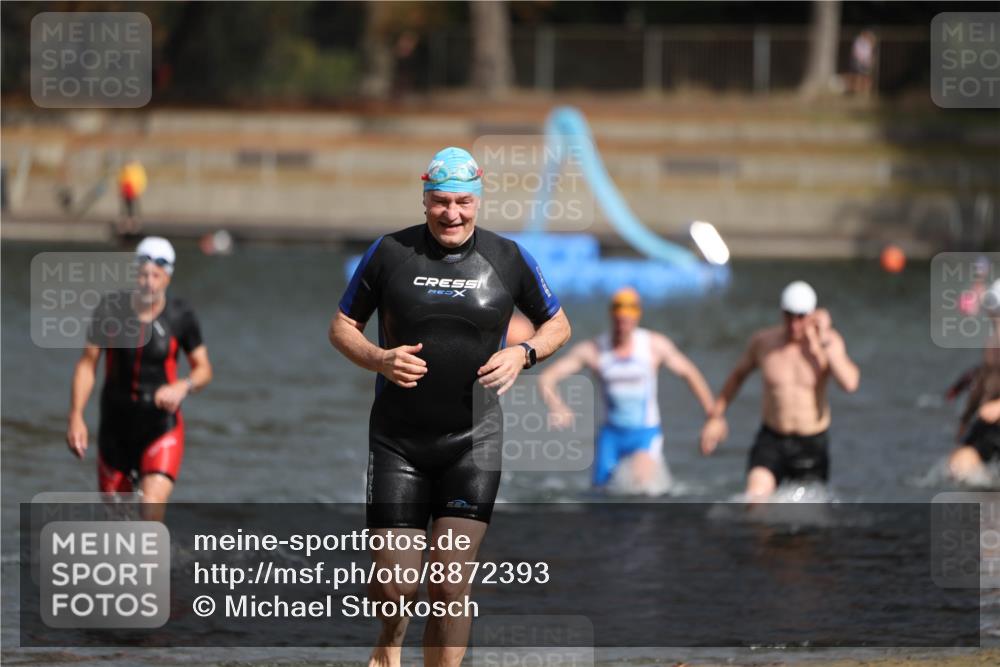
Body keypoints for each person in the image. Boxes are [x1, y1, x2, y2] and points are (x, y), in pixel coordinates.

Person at [329, 147, 571, 667]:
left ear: (478, 201)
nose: (452, 213)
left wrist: (524, 353)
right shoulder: (390, 252)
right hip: (398, 442)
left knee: (448, 582)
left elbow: (558, 324)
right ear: (424, 200)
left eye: (463, 202)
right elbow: (342, 327)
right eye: (440, 201)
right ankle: (390, 639)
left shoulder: (508, 258)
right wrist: (379, 358)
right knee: (394, 587)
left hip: (472, 442)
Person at [66, 237, 212, 520]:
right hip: (115, 426)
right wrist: (76, 416)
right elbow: (87, 364)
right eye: (144, 274)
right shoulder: (110, 310)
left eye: (156, 275)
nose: (149, 282)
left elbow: (204, 369)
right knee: (116, 523)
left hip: (160, 425)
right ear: (135, 273)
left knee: (151, 504)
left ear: (168, 277)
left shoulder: (181, 316)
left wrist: (183, 386)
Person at [538, 287, 714, 491]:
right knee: (599, 493)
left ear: (637, 317)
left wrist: (713, 416)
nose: (623, 325)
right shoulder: (594, 350)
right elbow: (546, 378)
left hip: (645, 435)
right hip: (611, 436)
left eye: (627, 320)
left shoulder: (654, 346)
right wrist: (557, 406)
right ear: (612, 316)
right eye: (619, 320)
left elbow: (690, 373)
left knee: (643, 487)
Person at [700, 281, 860, 501]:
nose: (794, 324)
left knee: (805, 515)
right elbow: (737, 376)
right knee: (754, 500)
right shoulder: (764, 343)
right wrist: (716, 417)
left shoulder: (828, 344)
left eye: (801, 317)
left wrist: (823, 340)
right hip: (772, 439)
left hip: (810, 442)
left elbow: (850, 384)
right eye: (789, 316)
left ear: (812, 315)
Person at [949, 280, 1000, 482]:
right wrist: (966, 418)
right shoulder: (992, 343)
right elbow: (982, 382)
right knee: (958, 467)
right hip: (990, 425)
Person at [117, 158, 148, 235]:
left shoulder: (137, 169)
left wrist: (139, 189)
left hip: (134, 190)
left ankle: (135, 224)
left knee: (134, 208)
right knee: (126, 207)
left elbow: (141, 180)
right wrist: (121, 189)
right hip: (127, 190)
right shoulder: (125, 169)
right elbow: (121, 179)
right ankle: (127, 224)